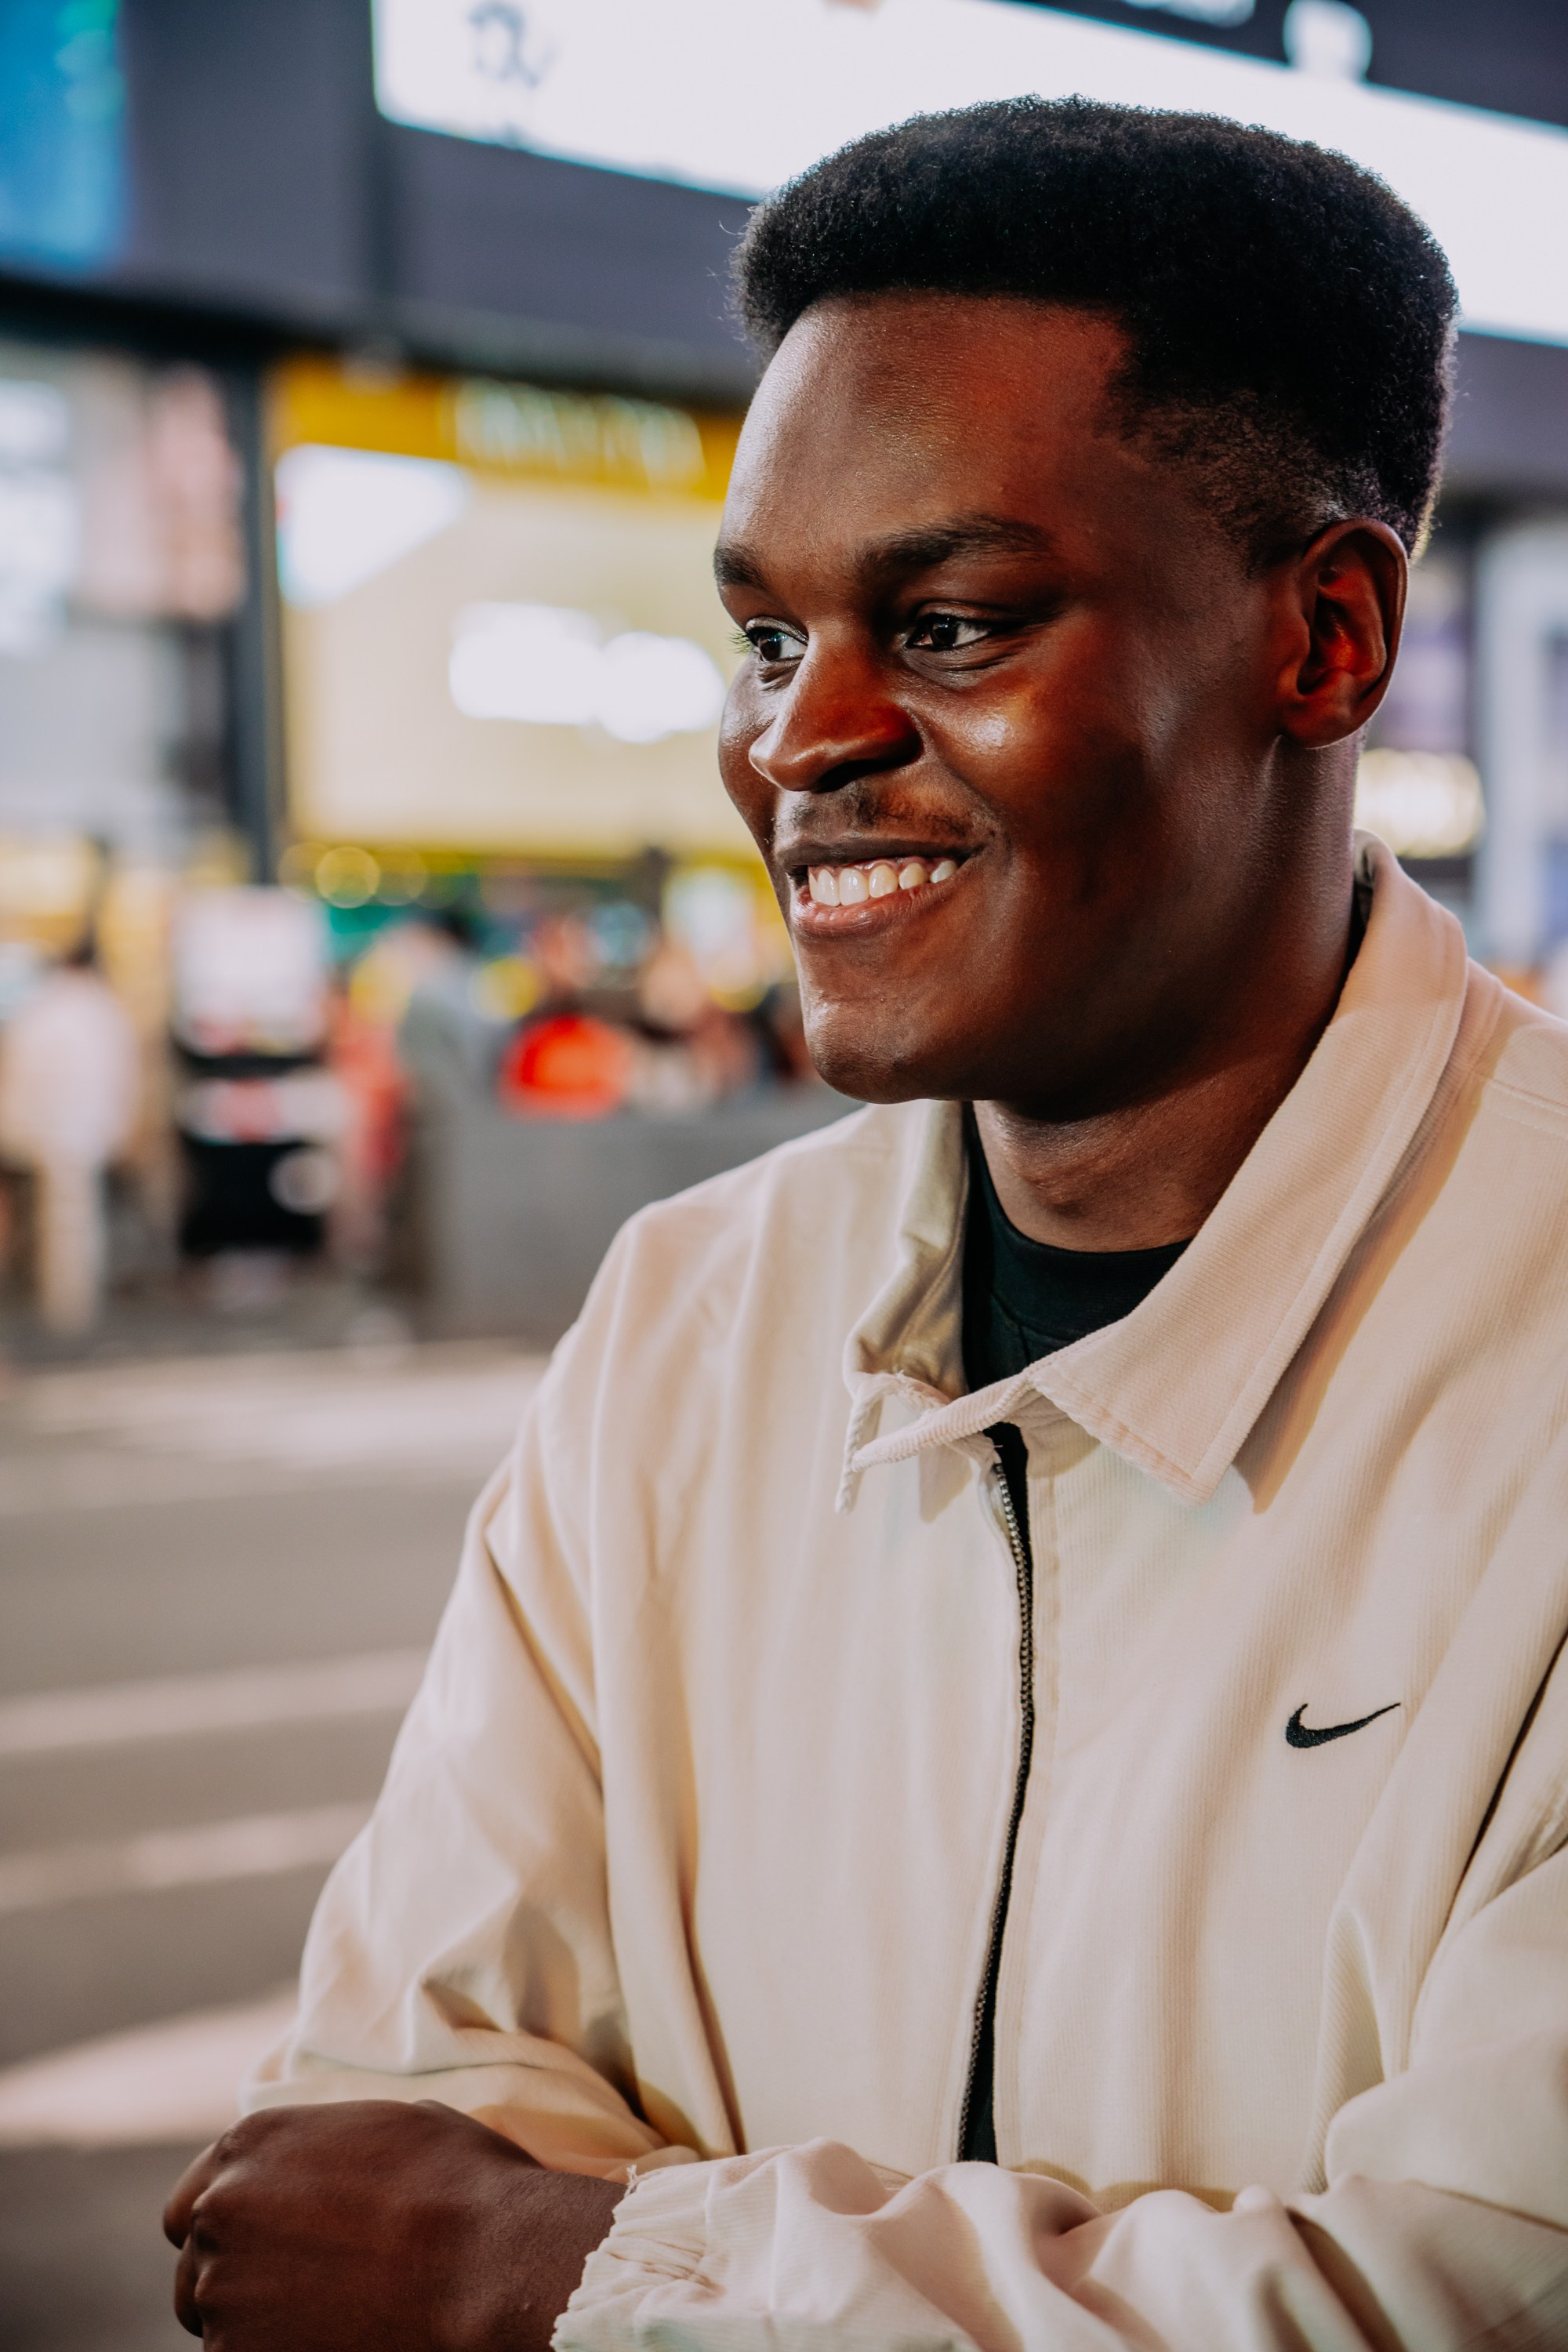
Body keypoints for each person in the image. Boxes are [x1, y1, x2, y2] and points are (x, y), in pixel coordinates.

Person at [165, 100, 1568, 2349]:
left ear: (1326, 640)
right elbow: (400, 2089)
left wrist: (542, 2272)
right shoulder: (693, 1319)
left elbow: (1466, 2298)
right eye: (761, 634)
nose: (798, 742)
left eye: (945, 621)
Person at [0, 935, 140, 1334]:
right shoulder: (99, 1009)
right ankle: (69, 1305)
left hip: (45, 1126)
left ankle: (63, 1303)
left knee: (59, 1222)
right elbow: (121, 1075)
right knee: (71, 1223)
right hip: (79, 1128)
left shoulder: (40, 1007)